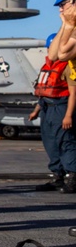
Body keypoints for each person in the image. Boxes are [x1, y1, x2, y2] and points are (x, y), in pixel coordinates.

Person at [29, 33, 76, 193]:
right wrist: (36, 110)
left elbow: (73, 93)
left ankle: (73, 177)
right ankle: (57, 177)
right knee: (50, 143)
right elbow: (44, 92)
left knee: (66, 142)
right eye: (49, 48)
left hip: (61, 107)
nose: (50, 51)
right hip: (46, 108)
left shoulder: (68, 66)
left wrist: (68, 115)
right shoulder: (47, 66)